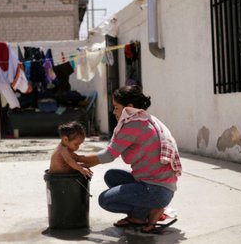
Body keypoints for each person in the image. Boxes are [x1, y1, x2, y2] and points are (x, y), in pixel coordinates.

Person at [78, 85, 182, 233]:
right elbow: (112, 151)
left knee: (105, 200)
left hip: (156, 190)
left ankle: (153, 209)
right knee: (112, 175)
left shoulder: (134, 124)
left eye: (116, 107)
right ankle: (138, 216)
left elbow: (109, 155)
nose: (114, 112)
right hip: (160, 185)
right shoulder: (145, 118)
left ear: (129, 107)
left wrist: (76, 159)